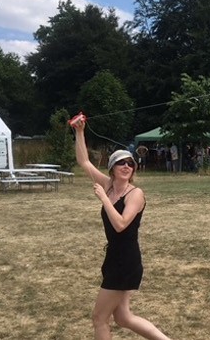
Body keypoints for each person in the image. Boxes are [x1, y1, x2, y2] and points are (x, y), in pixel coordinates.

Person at [70, 117, 171, 340]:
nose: (126, 166)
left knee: (99, 318)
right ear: (112, 168)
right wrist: (79, 131)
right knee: (123, 317)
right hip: (113, 257)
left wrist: (103, 199)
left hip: (126, 261)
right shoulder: (108, 185)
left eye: (130, 163)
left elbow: (121, 224)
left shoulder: (135, 194)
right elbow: (84, 162)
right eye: (121, 162)